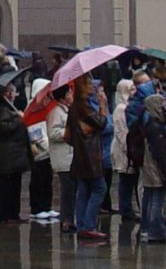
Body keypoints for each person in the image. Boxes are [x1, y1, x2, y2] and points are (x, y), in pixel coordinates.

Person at [65, 79, 109, 242]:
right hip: (90, 156)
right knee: (99, 188)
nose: (92, 87)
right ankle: (88, 225)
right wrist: (103, 105)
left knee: (83, 189)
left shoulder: (73, 107)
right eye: (89, 84)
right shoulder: (83, 106)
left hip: (80, 156)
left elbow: (67, 136)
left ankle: (82, 224)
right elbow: (102, 123)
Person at [135, 83, 166, 243]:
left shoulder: (148, 122)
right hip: (155, 168)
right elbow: (161, 154)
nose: (165, 108)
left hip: (148, 166)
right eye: (162, 105)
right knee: (156, 199)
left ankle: (146, 229)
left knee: (150, 197)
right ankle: (156, 231)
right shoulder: (155, 127)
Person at [0, 76, 30, 222]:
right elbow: (2, 128)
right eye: (9, 91)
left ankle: (13, 214)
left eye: (13, 91)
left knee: (14, 185)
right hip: (7, 154)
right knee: (7, 186)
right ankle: (6, 215)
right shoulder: (0, 109)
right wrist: (19, 120)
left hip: (14, 153)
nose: (12, 94)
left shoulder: (9, 107)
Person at [27, 77, 57, 222]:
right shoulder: (32, 110)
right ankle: (37, 207)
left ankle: (46, 205)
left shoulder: (45, 108)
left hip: (47, 153)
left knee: (47, 179)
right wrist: (50, 148)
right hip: (39, 153)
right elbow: (36, 134)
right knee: (39, 179)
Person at [45, 84, 75, 232]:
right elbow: (53, 132)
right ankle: (66, 220)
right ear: (63, 96)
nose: (72, 95)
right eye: (69, 93)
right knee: (68, 189)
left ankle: (69, 218)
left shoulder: (67, 110)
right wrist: (68, 132)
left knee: (71, 188)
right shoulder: (56, 112)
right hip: (63, 158)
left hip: (70, 156)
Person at [109, 78, 138, 220]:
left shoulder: (129, 106)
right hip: (123, 149)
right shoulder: (120, 109)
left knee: (129, 179)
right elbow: (121, 132)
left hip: (128, 147)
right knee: (125, 180)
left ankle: (127, 208)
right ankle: (125, 209)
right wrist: (129, 149)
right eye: (131, 89)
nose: (134, 91)